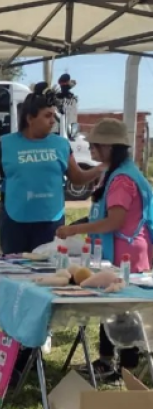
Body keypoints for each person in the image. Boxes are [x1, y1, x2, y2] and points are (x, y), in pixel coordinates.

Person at [56, 118, 152, 381]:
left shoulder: (121, 180)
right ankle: (111, 362)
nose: (93, 150)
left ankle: (122, 367)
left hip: (125, 255)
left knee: (120, 310)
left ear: (112, 147)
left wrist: (76, 230)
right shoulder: (117, 172)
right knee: (112, 307)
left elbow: (114, 221)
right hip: (122, 252)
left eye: (97, 145)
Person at [0, 82, 103, 254]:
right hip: (14, 222)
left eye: (54, 116)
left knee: (47, 272)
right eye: (47, 116)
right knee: (14, 270)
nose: (53, 121)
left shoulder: (61, 145)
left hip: (50, 222)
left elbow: (77, 178)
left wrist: (100, 169)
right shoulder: (6, 144)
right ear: (30, 118)